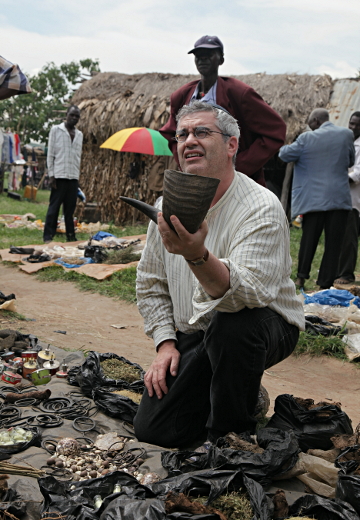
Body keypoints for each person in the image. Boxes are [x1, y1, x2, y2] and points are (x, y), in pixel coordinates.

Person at [134, 101, 304, 449]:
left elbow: (247, 295)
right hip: (197, 331)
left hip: (261, 324)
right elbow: (150, 283)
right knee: (156, 430)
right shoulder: (166, 206)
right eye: (182, 135)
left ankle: (230, 438)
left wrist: (196, 255)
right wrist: (166, 343)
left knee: (233, 329)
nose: (188, 141)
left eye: (201, 132)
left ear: (231, 145)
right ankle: (245, 392)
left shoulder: (261, 206)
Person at [160, 35, 286, 187]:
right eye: (198, 56)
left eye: (209, 55)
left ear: (221, 59)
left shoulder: (239, 94)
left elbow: (275, 131)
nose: (202, 59)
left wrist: (236, 166)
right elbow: (170, 132)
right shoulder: (182, 96)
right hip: (197, 183)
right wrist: (186, 163)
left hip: (236, 184)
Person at [279, 109, 355, 289]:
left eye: (309, 122)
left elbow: (284, 154)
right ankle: (325, 283)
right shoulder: (346, 134)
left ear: (315, 120)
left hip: (313, 201)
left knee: (309, 240)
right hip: (339, 198)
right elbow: (350, 161)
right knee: (333, 243)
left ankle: (301, 278)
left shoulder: (306, 138)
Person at [43, 105, 83, 243]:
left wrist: (77, 177)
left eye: (77, 116)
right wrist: (51, 174)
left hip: (72, 177)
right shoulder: (56, 130)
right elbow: (51, 154)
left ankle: (70, 236)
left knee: (70, 210)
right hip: (59, 176)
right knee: (54, 207)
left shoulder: (79, 134)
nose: (74, 118)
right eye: (72, 115)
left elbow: (78, 157)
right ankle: (48, 235)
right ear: (66, 114)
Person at [335, 112, 360, 284]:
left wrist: (339, 178)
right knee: (338, 236)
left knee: (349, 238)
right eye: (352, 123)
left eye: (357, 125)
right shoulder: (344, 141)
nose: (353, 127)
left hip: (352, 198)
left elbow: (358, 173)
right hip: (338, 197)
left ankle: (346, 273)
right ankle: (337, 271)